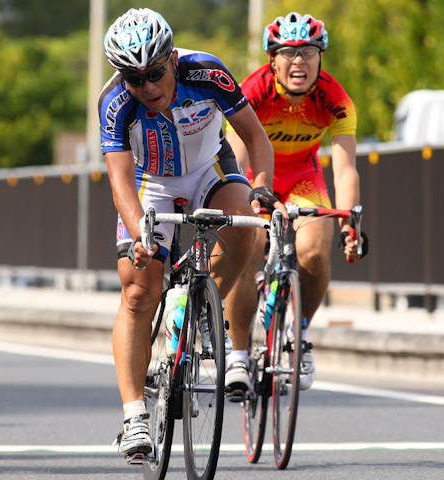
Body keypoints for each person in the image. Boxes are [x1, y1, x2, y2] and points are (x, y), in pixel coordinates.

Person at [99, 8, 282, 463]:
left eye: (156, 73)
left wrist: (261, 189)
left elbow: (255, 137)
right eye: (135, 79)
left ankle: (203, 304)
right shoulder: (115, 102)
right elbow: (120, 181)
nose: (149, 87)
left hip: (208, 170)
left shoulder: (208, 72)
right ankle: (134, 417)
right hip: (150, 182)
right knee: (138, 288)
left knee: (246, 230)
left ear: (172, 59)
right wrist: (141, 234)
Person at [225, 12, 368, 391]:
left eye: (308, 51)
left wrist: (349, 222)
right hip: (258, 176)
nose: (298, 61)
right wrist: (249, 198)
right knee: (249, 245)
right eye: (287, 53)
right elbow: (235, 159)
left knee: (314, 253)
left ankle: (298, 333)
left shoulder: (336, 99)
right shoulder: (251, 93)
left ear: (321, 57)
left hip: (304, 177)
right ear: (271, 59)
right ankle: (238, 356)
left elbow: (345, 169)